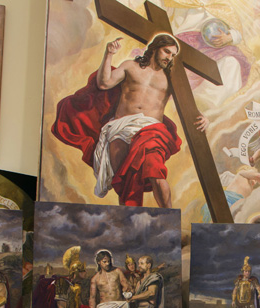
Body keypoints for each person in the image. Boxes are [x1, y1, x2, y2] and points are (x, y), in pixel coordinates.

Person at [52, 34, 207, 208]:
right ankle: (131, 220)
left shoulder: (171, 79)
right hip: (120, 127)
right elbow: (104, 84)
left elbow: (186, 104)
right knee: (124, 181)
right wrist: (109, 54)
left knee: (156, 172)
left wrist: (203, 117)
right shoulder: (130, 66)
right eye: (166, 52)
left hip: (152, 131)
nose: (169, 57)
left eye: (173, 55)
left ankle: (169, 216)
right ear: (155, 48)